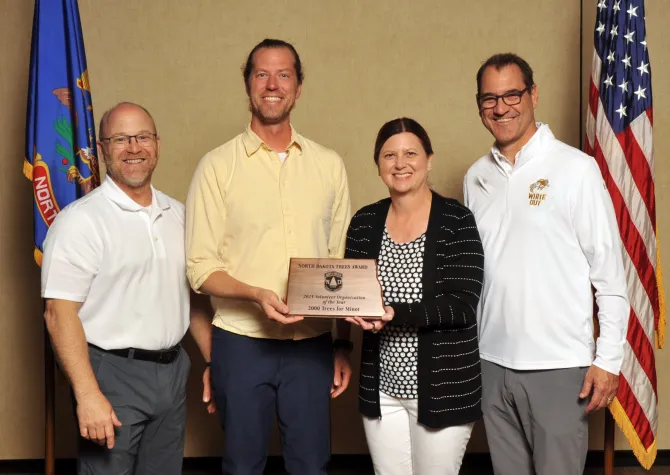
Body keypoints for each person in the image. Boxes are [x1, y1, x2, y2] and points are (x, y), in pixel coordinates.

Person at [185, 38, 353, 475]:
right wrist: (256, 294)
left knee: (311, 466)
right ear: (247, 85)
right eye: (261, 74)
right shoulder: (217, 166)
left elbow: (339, 264)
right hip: (241, 343)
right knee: (242, 466)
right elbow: (200, 270)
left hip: (311, 347)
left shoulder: (329, 165)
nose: (272, 84)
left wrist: (339, 343)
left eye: (284, 74)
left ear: (299, 88)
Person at [464, 53, 630, 475]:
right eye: (489, 99)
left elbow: (609, 274)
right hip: (491, 363)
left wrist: (608, 360)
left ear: (533, 94)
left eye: (512, 95)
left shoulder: (576, 169)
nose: (501, 108)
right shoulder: (475, 177)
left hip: (557, 367)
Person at [41, 102, 213, 475]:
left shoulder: (180, 215)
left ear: (157, 145)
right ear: (102, 150)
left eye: (143, 137)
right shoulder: (80, 222)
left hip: (172, 370)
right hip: (110, 373)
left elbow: (194, 299)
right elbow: (58, 314)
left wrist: (216, 361)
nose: (134, 148)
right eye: (121, 139)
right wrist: (87, 395)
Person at [343, 117, 484, 475]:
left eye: (410, 153)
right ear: (378, 165)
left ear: (429, 159)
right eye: (389, 155)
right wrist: (344, 319)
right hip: (382, 390)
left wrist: (395, 313)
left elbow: (463, 306)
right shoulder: (363, 222)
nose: (400, 163)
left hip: (442, 388)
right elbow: (349, 291)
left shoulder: (456, 220)